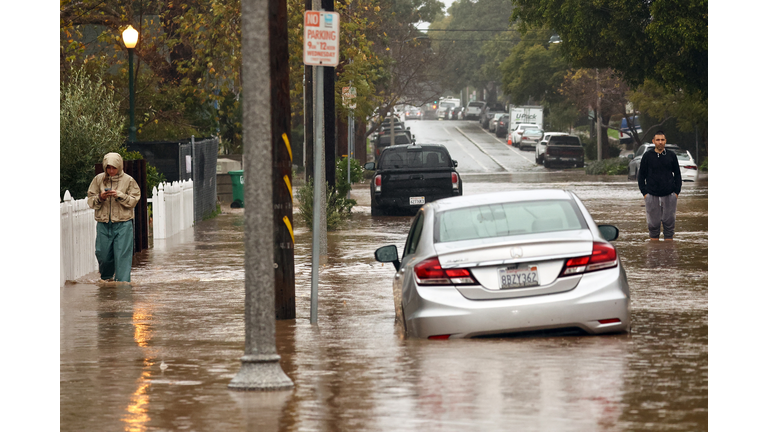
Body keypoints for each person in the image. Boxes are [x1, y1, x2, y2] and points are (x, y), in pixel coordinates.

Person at [87, 153, 141, 282]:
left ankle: (123, 289)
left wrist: (120, 195)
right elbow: (90, 200)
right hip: (103, 224)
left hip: (123, 224)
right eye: (108, 168)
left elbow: (134, 200)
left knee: (122, 257)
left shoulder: (129, 180)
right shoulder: (98, 179)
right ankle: (106, 282)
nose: (111, 171)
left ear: (120, 166)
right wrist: (101, 197)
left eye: (114, 168)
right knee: (103, 255)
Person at [637, 131, 682, 241]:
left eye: (662, 140)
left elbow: (677, 174)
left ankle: (669, 250)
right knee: (653, 224)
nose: (660, 142)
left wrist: (676, 192)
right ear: (653, 141)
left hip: (670, 194)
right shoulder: (647, 156)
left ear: (665, 141)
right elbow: (641, 175)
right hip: (651, 194)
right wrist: (645, 193)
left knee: (669, 223)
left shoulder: (671, 155)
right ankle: (654, 252)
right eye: (658, 140)